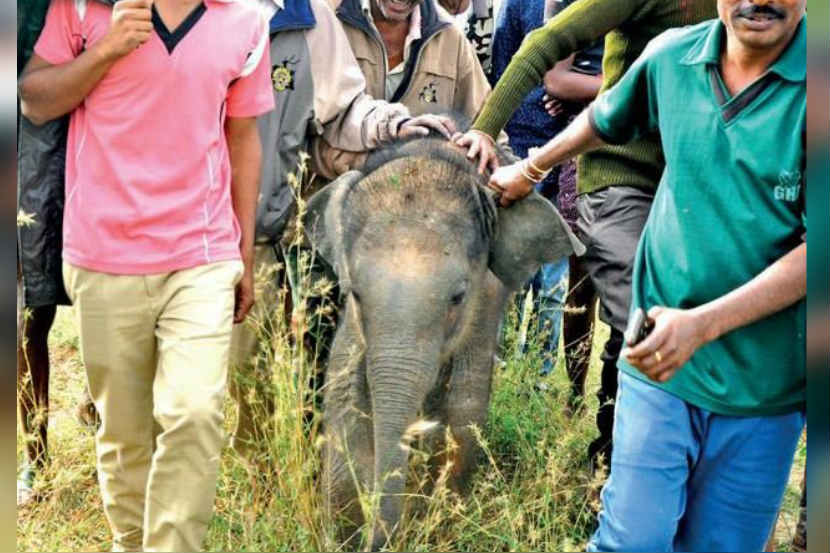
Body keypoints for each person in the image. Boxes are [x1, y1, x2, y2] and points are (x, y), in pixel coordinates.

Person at [477, 0, 807, 549]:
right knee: (632, 542)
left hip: (762, 383)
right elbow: (606, 116)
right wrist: (531, 166)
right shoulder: (672, 57)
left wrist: (702, 325)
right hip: (661, 368)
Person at [18, 1, 275, 550]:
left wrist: (243, 253)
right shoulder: (82, 10)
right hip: (103, 252)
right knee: (125, 433)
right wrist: (108, 48)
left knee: (194, 412)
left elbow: (243, 136)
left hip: (201, 253)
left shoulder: (245, 20)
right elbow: (34, 100)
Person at [454, 0, 717, 470]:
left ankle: (637, 453)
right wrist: (484, 129)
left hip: (693, 175)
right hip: (620, 169)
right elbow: (547, 42)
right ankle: (617, 466)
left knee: (685, 313)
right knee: (641, 309)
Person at [228, 0, 457, 460]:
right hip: (167, 227)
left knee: (247, 380)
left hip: (254, 234)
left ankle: (252, 499)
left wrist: (396, 125)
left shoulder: (308, 17)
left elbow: (346, 107)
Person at [490, 0, 603, 377]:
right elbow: (505, 70)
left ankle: (536, 380)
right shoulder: (517, 7)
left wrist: (574, 96)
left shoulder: (594, 9)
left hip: (570, 150)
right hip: (520, 152)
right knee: (513, 276)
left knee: (554, 286)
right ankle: (500, 375)